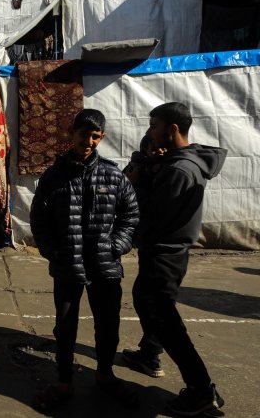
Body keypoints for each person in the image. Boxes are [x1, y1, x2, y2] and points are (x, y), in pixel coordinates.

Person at [30, 109, 140, 411]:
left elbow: (131, 215)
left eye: (95, 136)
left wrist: (116, 245)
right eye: (83, 134)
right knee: (64, 328)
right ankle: (64, 382)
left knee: (108, 325)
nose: (88, 141)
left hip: (105, 267)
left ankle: (105, 375)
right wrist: (52, 251)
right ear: (72, 133)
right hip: (68, 267)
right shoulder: (54, 177)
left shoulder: (113, 174)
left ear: (101, 138)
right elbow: (39, 218)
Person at [122, 102, 227, 416]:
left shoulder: (180, 169)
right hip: (164, 251)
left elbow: (153, 214)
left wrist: (137, 185)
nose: (149, 131)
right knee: (145, 299)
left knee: (166, 321)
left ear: (173, 129)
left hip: (165, 253)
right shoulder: (177, 161)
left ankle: (201, 389)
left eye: (154, 125)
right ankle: (148, 352)